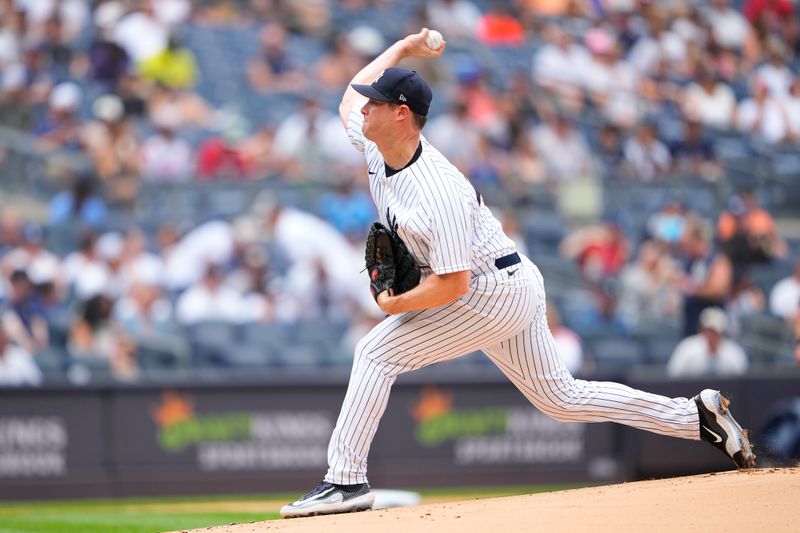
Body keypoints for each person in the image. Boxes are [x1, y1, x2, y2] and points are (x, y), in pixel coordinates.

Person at [280, 29, 756, 520]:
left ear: (401, 114)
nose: (364, 108)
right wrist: (402, 48)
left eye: (376, 103)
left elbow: (453, 284)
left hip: (489, 291)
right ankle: (694, 417)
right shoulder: (380, 148)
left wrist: (393, 304)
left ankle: (345, 480)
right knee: (563, 399)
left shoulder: (438, 192)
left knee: (375, 352)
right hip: (511, 281)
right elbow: (346, 96)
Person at [667, 307, 749, 377]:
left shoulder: (734, 352)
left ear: (723, 332)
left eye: (715, 332)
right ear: (701, 329)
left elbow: (742, 381)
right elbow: (673, 375)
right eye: (707, 331)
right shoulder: (687, 348)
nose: (710, 335)